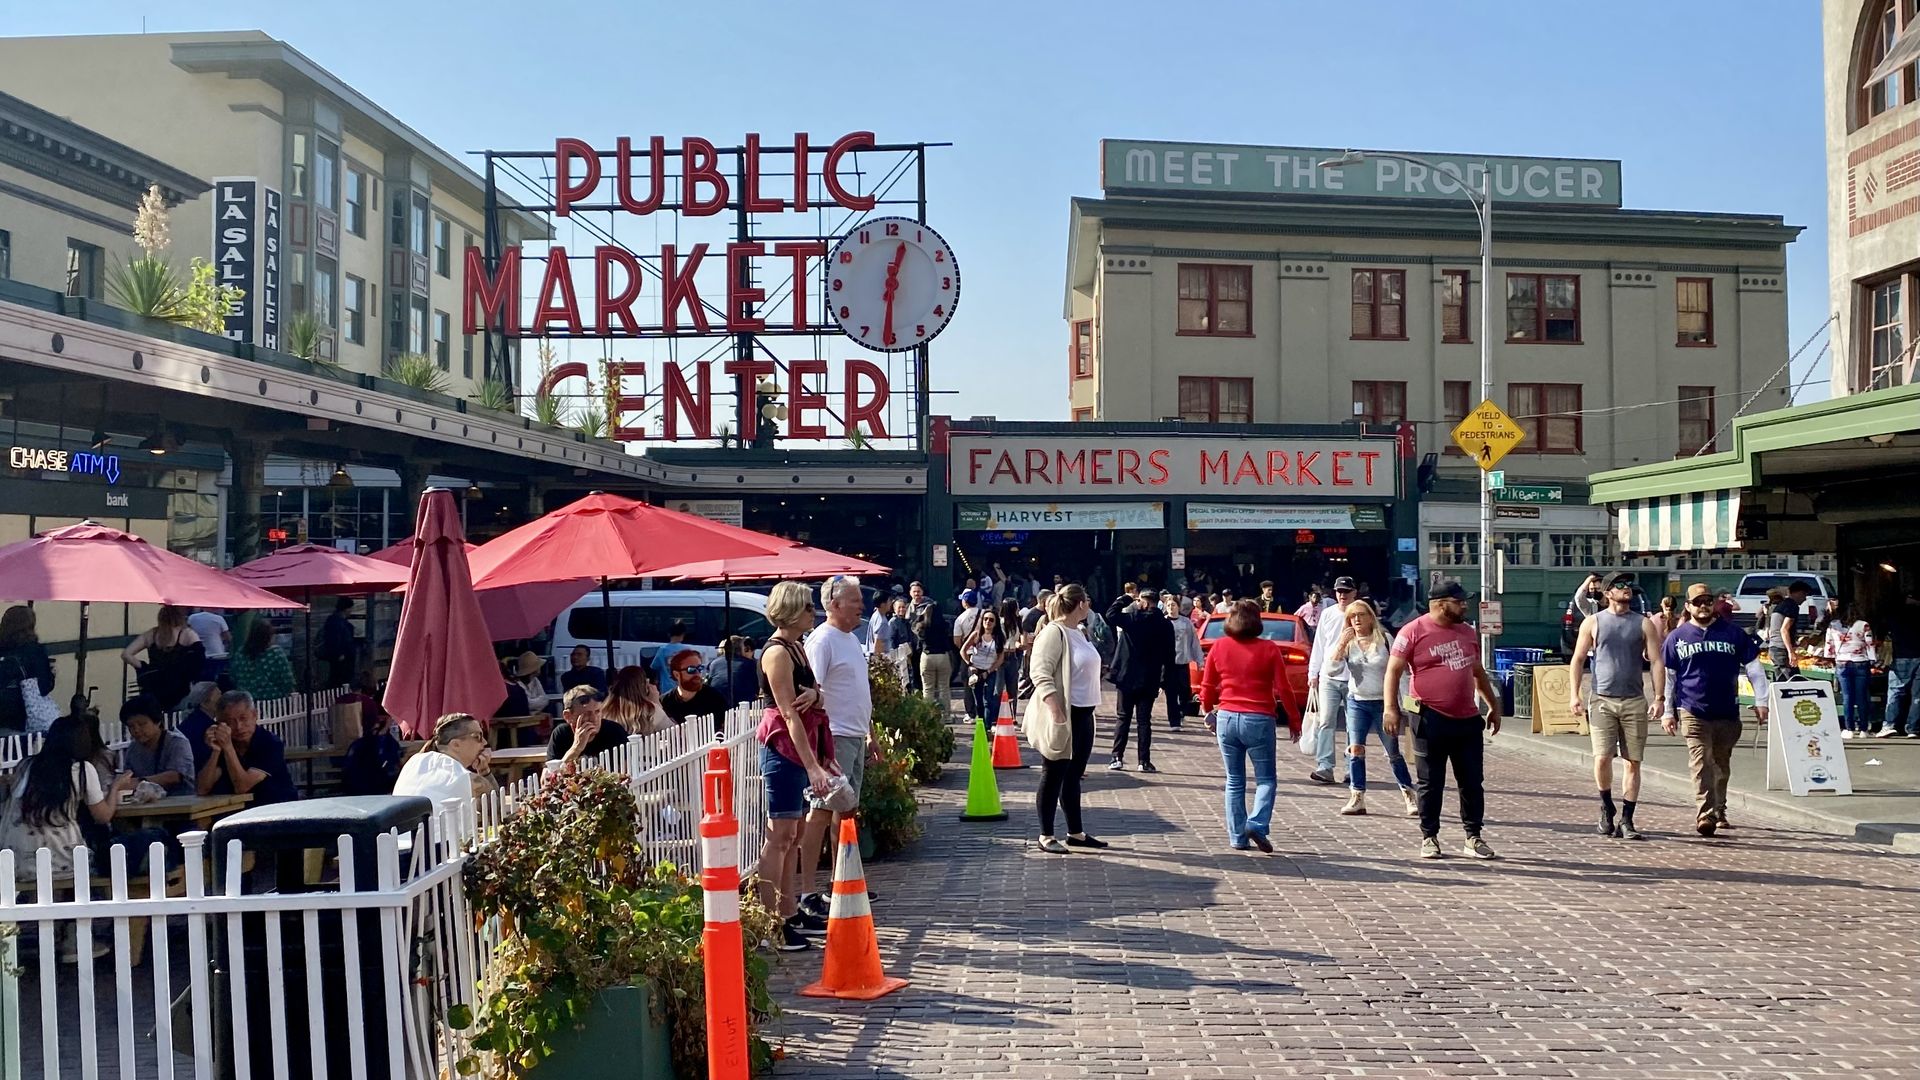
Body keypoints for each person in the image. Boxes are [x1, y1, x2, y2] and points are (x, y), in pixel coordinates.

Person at [1383, 581, 1502, 860]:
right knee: (1430, 781)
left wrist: (1493, 706)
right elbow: (1393, 671)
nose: (1464, 605)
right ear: (1439, 603)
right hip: (1429, 717)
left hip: (1467, 718)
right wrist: (1391, 708)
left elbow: (1477, 671)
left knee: (1472, 781)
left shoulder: (1466, 632)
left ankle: (1473, 836)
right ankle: (1430, 836)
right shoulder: (1412, 631)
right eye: (1459, 601)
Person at [754, 580, 835, 951]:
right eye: (806, 608)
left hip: (800, 746)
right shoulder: (777, 653)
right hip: (784, 749)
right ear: (790, 610)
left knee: (794, 835)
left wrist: (815, 694)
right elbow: (787, 713)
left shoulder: (797, 648)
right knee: (780, 836)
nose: (812, 614)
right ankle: (770, 919)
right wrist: (813, 766)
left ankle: (787, 912)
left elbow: (815, 692)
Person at [798, 575, 877, 927]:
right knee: (819, 811)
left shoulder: (850, 639)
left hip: (854, 735)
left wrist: (871, 734)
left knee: (845, 811)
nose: (862, 605)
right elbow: (811, 693)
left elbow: (859, 691)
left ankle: (839, 881)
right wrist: (820, 747)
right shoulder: (823, 640)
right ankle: (806, 890)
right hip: (834, 736)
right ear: (834, 604)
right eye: (855, 600)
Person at [1663, 583, 1771, 837]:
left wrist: (1761, 701)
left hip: (1727, 711)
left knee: (1721, 764)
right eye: (1697, 602)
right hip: (1692, 708)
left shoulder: (1733, 634)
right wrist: (1668, 710)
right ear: (1688, 607)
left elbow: (1754, 668)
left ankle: (1719, 809)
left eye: (1707, 601)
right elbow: (1669, 677)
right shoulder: (1677, 638)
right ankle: (1705, 814)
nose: (1703, 606)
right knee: (1701, 763)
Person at [1567, 573, 1668, 840]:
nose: (1627, 590)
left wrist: (1659, 698)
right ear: (1607, 592)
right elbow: (1577, 659)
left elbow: (1657, 661)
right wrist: (1574, 695)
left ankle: (1627, 819)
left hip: (1634, 700)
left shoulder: (1643, 623)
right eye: (1620, 586)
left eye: (1629, 586)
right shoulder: (1593, 622)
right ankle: (1606, 805)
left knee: (1633, 762)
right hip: (1602, 700)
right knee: (1602, 757)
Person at [0, 714, 140, 879]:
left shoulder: (26, 765)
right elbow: (103, 816)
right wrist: (116, 786)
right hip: (61, 858)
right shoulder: (81, 769)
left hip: (14, 860)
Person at [1199, 600, 1289, 852]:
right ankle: (1257, 823)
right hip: (1259, 717)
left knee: (1234, 780)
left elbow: (1207, 687)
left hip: (1227, 716)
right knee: (1266, 779)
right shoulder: (1269, 648)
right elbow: (1283, 688)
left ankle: (1237, 837)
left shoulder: (1219, 646)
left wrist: (1208, 713)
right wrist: (1294, 719)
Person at [1027, 584, 1106, 854]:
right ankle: (1046, 834)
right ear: (1080, 604)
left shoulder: (1080, 632)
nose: (1090, 605)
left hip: (1085, 713)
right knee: (1054, 772)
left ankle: (1076, 831)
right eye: (1087, 600)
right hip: (1065, 713)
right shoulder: (1054, 632)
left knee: (1074, 775)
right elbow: (1039, 672)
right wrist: (1056, 710)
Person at [1323, 600, 1417, 818]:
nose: (1356, 620)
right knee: (1355, 749)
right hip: (1357, 700)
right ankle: (1357, 795)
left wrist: (1405, 704)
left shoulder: (1384, 639)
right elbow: (1332, 670)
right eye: (1352, 616)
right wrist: (1340, 645)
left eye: (1361, 615)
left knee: (1392, 751)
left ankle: (1408, 793)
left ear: (1370, 617)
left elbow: (1400, 672)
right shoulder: (1348, 642)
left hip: (1383, 702)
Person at [393, 712, 495, 841]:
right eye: (478, 736)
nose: (484, 742)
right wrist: (485, 771)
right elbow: (498, 813)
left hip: (400, 847)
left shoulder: (415, 761)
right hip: (444, 852)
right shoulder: (466, 778)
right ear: (455, 744)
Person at [1106, 587, 1173, 773]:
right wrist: (1164, 679)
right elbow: (1169, 654)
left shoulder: (1132, 619)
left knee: (1123, 718)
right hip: (1149, 677)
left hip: (1126, 676)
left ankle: (1117, 757)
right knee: (1144, 721)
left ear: (1142, 601)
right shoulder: (1164, 624)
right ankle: (1144, 760)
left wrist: (1125, 598)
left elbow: (1110, 614)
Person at [1304, 577, 1361, 785]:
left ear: (1354, 592)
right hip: (1329, 676)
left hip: (1355, 677)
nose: (1342, 595)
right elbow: (1319, 645)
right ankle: (1325, 766)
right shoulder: (1327, 614)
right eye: (1339, 591)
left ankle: (1352, 767)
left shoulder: (1360, 614)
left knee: (1352, 725)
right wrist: (1313, 674)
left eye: (1346, 591)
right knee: (1326, 721)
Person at [196, 690, 298, 806]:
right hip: (235, 813)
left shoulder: (269, 742)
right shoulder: (223, 743)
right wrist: (216, 750)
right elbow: (202, 789)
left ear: (255, 715)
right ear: (219, 723)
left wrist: (228, 748)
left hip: (275, 810)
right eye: (230, 722)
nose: (239, 727)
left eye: (243, 719)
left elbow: (242, 786)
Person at [122, 605, 204, 711]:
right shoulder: (187, 634)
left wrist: (143, 667)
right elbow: (200, 660)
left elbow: (126, 654)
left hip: (153, 689)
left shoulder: (151, 634)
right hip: (178, 690)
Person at [119, 695, 196, 796]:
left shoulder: (177, 742)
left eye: (142, 724)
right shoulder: (133, 748)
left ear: (158, 721)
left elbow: (174, 776)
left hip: (180, 802)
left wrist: (140, 782)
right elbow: (128, 776)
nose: (136, 730)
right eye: (131, 726)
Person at [0, 606, 57, 733]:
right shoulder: (34, 650)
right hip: (23, 715)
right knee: (19, 751)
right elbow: (44, 687)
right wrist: (52, 675)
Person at [1874, 586, 1920, 738]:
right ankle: (1913, 728)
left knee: (1895, 691)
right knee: (1917, 694)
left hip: (1901, 656)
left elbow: (1881, 633)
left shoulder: (1895, 614)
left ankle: (1889, 725)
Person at [1824, 605, 1875, 739]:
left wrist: (1832, 658)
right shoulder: (1864, 625)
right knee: (1861, 696)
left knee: (1847, 696)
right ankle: (1864, 729)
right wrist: (1873, 660)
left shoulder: (1833, 625)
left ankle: (1849, 728)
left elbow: (1829, 645)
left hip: (1842, 662)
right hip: (1860, 661)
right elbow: (1870, 644)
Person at [547, 685, 631, 765]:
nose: (594, 719)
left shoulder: (614, 731)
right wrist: (576, 748)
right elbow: (547, 778)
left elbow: (629, 771)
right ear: (568, 716)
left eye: (597, 711)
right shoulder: (561, 734)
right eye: (587, 714)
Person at [227, 619, 294, 704]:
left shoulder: (241, 653)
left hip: (246, 703)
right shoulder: (276, 654)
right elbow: (287, 680)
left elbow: (233, 676)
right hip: (273, 703)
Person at [661, 647, 728, 732]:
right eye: (691, 670)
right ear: (676, 674)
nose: (697, 674)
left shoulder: (714, 697)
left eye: (700, 668)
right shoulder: (665, 702)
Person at [340, 708, 404, 796]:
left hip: (354, 791)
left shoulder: (357, 745)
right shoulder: (386, 743)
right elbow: (392, 768)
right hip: (378, 790)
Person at [961, 606, 1008, 723]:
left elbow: (1000, 658)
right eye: (985, 619)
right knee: (978, 701)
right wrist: (970, 664)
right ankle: (980, 723)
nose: (988, 622)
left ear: (995, 623)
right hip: (975, 671)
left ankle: (987, 726)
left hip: (990, 671)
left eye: (991, 620)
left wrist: (989, 671)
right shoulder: (976, 635)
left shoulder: (999, 638)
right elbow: (963, 650)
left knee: (988, 700)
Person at [1164, 594, 1201, 731]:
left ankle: (1181, 711)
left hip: (1183, 662)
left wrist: (1198, 660)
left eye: (1173, 605)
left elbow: (1194, 642)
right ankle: (1174, 721)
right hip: (1168, 664)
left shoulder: (1186, 623)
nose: (1171, 608)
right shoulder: (1163, 622)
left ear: (1178, 607)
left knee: (1185, 691)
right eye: (1168, 605)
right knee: (1171, 693)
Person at [605, 664, 671, 736]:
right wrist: (657, 702)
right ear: (644, 687)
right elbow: (673, 732)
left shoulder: (605, 710)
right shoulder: (651, 710)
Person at [916, 601, 957, 718]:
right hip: (942, 656)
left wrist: (921, 615)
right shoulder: (944, 625)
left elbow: (918, 642)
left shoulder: (922, 626)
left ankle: (928, 716)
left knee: (927, 689)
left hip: (927, 656)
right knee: (944, 687)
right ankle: (946, 715)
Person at [177, 681, 222, 773]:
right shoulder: (209, 727)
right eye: (219, 698)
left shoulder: (189, 721)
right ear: (204, 703)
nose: (223, 702)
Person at [1018, 590, 1053, 704]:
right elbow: (1025, 636)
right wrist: (1028, 652)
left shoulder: (1047, 615)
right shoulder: (1031, 616)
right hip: (1033, 652)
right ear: (1043, 601)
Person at [1768, 581, 1811, 673]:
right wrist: (1791, 652)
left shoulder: (1781, 605)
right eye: (1804, 595)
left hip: (1774, 647)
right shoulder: (1792, 606)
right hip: (1782, 649)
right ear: (1798, 592)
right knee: (1792, 681)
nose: (1804, 599)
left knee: (1781, 681)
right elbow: (1784, 629)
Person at [708, 637, 760, 708]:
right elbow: (759, 688)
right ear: (742, 648)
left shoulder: (713, 663)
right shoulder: (751, 664)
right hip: (743, 705)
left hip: (716, 702)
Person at [993, 598, 1024, 717]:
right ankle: (996, 716)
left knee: (1013, 687)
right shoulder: (1000, 623)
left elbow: (1019, 639)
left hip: (1013, 655)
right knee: (999, 688)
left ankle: (1013, 715)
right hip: (1001, 656)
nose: (1018, 609)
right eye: (1016, 607)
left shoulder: (1017, 623)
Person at [319, 597, 357, 688]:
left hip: (344, 657)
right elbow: (334, 639)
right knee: (339, 681)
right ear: (346, 608)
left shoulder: (337, 621)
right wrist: (339, 653)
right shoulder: (336, 622)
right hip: (341, 658)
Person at [187, 608, 232, 683]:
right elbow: (228, 638)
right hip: (217, 654)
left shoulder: (192, 618)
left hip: (197, 655)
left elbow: (188, 633)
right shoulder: (219, 619)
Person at [506, 652, 552, 717]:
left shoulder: (535, 680)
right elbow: (526, 704)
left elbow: (545, 699)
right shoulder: (518, 684)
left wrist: (534, 706)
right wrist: (537, 702)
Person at [650, 621, 689, 692]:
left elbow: (654, 666)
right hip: (683, 689)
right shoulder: (687, 650)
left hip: (666, 689)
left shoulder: (662, 650)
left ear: (669, 634)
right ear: (683, 634)